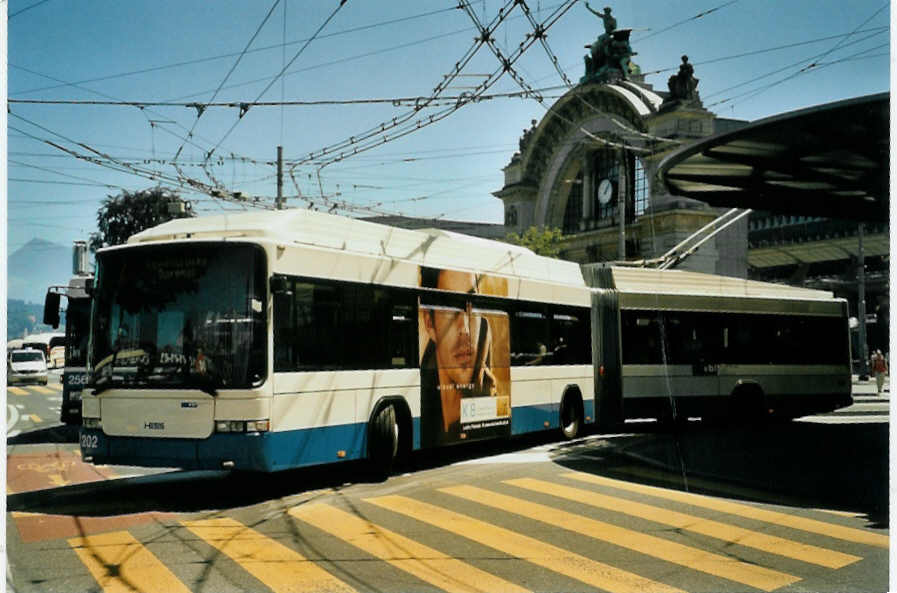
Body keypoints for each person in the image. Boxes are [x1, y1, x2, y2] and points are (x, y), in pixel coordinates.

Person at [420, 268, 497, 445]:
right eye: (449, 306)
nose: (465, 330)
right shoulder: (422, 410)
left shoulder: (491, 396)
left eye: (472, 303)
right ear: (430, 323)